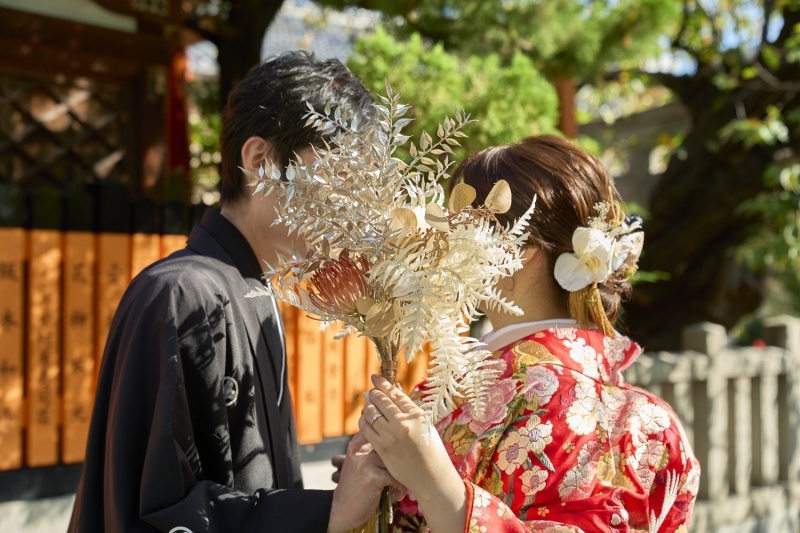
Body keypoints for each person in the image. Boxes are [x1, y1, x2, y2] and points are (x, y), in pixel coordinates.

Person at [69, 51, 401, 533]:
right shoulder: (181, 296)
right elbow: (157, 510)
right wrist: (327, 512)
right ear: (260, 160)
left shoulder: (254, 290)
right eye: (340, 178)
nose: (354, 206)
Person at [357, 135, 701, 532]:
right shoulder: (646, 420)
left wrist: (435, 486)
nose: (440, 243)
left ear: (520, 250)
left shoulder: (608, 415)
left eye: (461, 225)